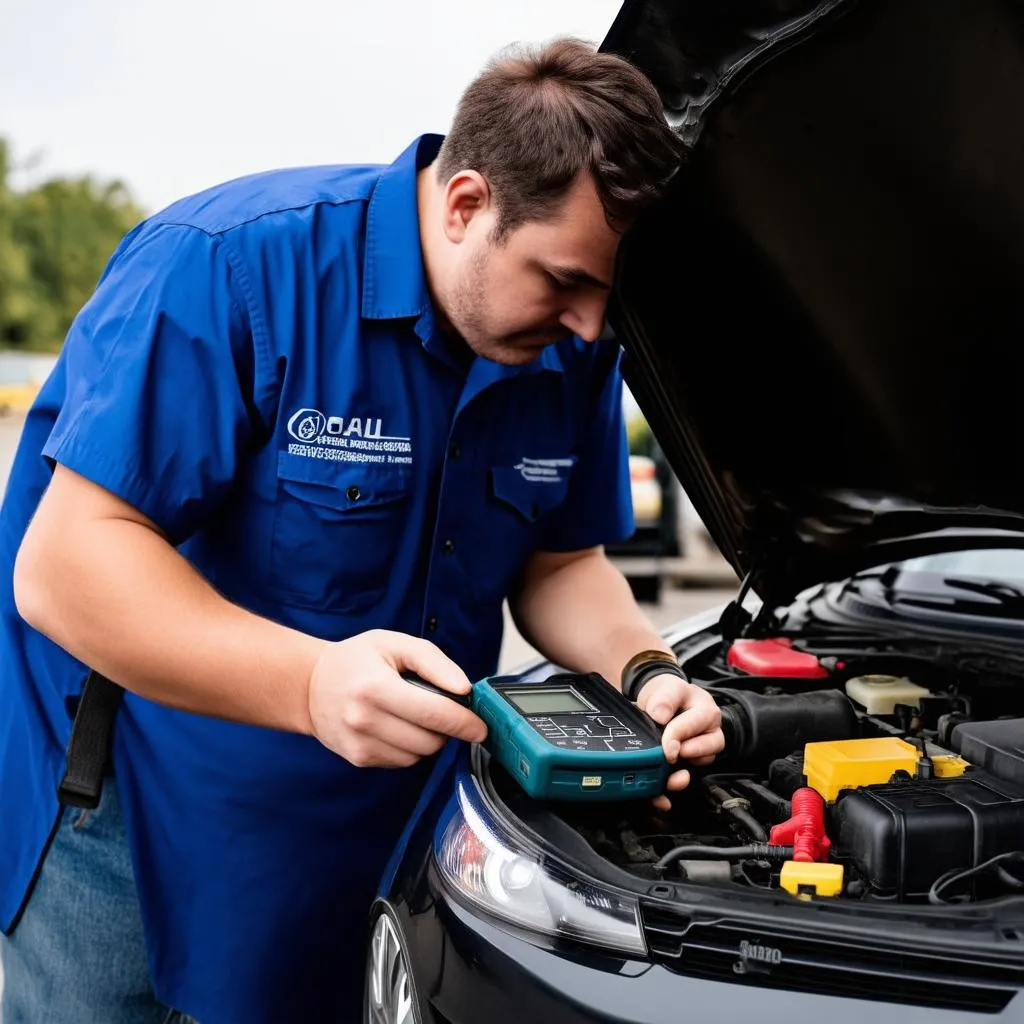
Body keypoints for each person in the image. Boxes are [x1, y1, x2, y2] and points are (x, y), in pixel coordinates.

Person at [0, 37, 724, 1024]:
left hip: (386, 807)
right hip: (138, 816)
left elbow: (561, 561)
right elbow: (66, 565)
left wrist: (646, 672)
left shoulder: (573, 340)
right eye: (561, 281)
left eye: (608, 294)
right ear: (464, 203)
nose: (591, 329)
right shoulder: (233, 266)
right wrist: (307, 683)